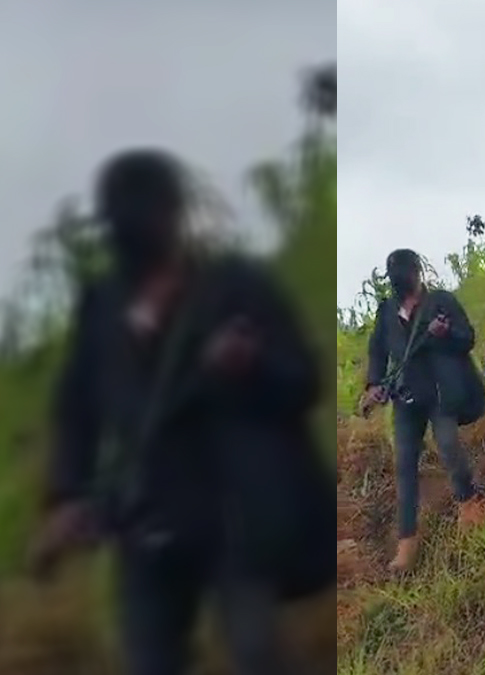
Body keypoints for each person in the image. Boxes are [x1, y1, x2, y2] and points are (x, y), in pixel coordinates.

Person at [27, 149, 333, 675]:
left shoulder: (234, 288)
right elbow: (77, 409)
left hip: (232, 516)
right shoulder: (102, 306)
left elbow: (302, 381)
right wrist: (66, 496)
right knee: (148, 660)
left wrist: (249, 366)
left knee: (257, 654)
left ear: (173, 214)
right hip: (144, 519)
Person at [360, 248, 485, 573]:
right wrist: (373, 384)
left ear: (418, 271)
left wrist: (444, 335)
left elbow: (467, 338)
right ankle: (407, 541)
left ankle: (469, 504)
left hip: (439, 393)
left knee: (448, 447)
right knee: (404, 466)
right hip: (405, 397)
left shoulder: (441, 301)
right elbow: (377, 349)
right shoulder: (387, 310)